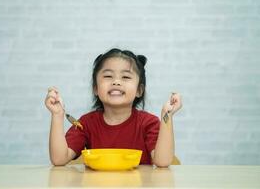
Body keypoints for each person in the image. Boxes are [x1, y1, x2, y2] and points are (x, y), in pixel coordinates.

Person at [45, 48, 182, 167]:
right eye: (108, 76)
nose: (116, 82)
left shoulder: (149, 123)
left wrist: (167, 116)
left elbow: (163, 161)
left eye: (126, 77)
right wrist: (57, 115)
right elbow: (59, 159)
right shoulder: (85, 124)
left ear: (139, 90)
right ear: (96, 88)